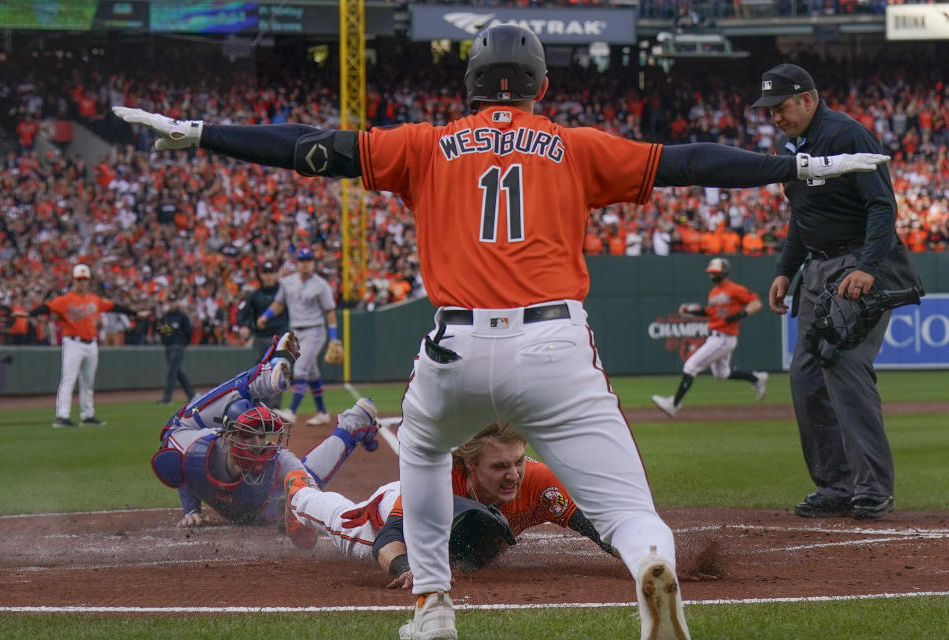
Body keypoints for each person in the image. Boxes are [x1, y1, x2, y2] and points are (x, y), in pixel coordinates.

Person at [114, 26, 887, 639]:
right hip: (555, 343)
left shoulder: (423, 142)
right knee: (626, 512)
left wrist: (204, 131)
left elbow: (308, 146)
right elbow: (690, 162)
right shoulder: (575, 145)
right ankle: (650, 566)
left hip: (453, 344)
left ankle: (432, 607)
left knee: (417, 448)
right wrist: (788, 170)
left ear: (470, 87)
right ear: (541, 87)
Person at [756, 63, 924, 521]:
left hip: (860, 260)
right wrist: (784, 271)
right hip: (818, 266)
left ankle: (873, 488)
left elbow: (881, 205)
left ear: (808, 99)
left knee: (845, 364)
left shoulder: (847, 135)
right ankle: (837, 486)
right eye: (768, 110)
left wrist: (869, 267)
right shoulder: (792, 146)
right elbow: (801, 215)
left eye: (781, 107)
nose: (774, 117)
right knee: (806, 378)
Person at [282, 422, 615, 588]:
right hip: (392, 520)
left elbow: (595, 526)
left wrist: (638, 554)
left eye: (518, 461)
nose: (514, 474)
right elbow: (390, 537)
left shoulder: (537, 480)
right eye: (499, 467)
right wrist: (405, 568)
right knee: (341, 521)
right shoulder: (436, 478)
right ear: (470, 465)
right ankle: (298, 492)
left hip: (440, 519)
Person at [151, 332, 380, 529]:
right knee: (174, 430)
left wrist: (304, 514)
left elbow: (313, 496)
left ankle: (351, 425)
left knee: (300, 492)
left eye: (263, 435)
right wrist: (191, 511)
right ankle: (262, 377)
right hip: (210, 446)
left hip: (263, 505)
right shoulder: (200, 451)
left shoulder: (278, 460)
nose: (259, 442)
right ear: (229, 437)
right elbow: (181, 467)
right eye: (250, 434)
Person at [21, 264, 147, 428]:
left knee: (88, 382)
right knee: (68, 379)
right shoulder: (65, 300)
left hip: (91, 344)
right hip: (73, 343)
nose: (82, 282)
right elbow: (47, 307)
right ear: (73, 280)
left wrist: (135, 313)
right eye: (79, 279)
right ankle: (62, 415)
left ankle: (88, 415)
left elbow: (114, 307)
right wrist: (30, 314)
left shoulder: (94, 299)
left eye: (85, 279)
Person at [651, 256, 768, 417]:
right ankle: (756, 378)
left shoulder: (734, 289)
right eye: (711, 272)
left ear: (724, 272)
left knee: (690, 366)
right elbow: (710, 312)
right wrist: (690, 311)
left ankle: (674, 404)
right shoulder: (714, 292)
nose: (712, 275)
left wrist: (739, 315)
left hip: (723, 337)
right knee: (722, 374)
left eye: (715, 272)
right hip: (717, 336)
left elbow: (756, 303)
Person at [256, 248, 337, 425]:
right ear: (297, 262)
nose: (305, 263)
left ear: (313, 263)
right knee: (312, 373)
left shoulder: (321, 285)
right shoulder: (287, 282)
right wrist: (265, 316)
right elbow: (279, 304)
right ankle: (322, 412)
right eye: (302, 260)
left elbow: (330, 312)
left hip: (314, 330)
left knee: (300, 370)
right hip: (296, 332)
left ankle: (291, 411)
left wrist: (334, 338)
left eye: (308, 260)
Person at [236, 258, 289, 411]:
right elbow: (242, 313)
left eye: (271, 272)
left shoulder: (283, 292)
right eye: (265, 272)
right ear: (261, 274)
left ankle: (275, 407)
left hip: (279, 338)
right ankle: (262, 407)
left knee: (279, 371)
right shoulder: (255, 295)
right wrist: (243, 326)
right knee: (261, 373)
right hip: (261, 338)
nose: (268, 276)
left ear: (276, 273)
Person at [156, 293, 196, 405]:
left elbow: (188, 332)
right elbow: (161, 330)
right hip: (168, 346)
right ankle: (192, 395)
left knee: (172, 372)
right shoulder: (166, 316)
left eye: (173, 301)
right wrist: (167, 333)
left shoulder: (182, 316)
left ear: (176, 302)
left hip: (178, 346)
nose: (172, 304)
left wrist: (184, 344)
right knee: (177, 372)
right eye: (170, 302)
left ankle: (167, 398)